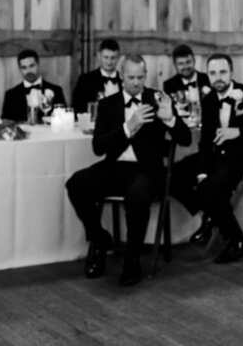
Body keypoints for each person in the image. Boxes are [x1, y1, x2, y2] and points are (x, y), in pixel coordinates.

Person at [65, 54, 192, 287]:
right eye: (131, 77)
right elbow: (98, 147)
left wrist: (171, 119)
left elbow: (185, 139)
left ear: (146, 76)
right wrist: (128, 127)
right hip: (114, 168)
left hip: (147, 171)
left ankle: (132, 259)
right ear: (122, 76)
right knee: (76, 183)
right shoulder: (107, 105)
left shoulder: (158, 99)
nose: (135, 82)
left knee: (137, 194)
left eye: (140, 77)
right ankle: (99, 238)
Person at [170, 53, 243, 264]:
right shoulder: (209, 99)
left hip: (242, 161)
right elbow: (205, 143)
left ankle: (237, 240)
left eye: (222, 72)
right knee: (175, 173)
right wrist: (201, 172)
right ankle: (211, 214)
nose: (217, 77)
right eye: (212, 73)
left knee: (208, 188)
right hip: (215, 158)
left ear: (231, 72)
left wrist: (238, 131)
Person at [2, 49, 67, 122]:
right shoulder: (10, 95)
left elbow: (63, 119)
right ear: (19, 69)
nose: (28, 71)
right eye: (24, 67)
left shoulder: (56, 91)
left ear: (38, 64)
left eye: (31, 66)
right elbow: (6, 123)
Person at [72, 38, 121, 114]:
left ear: (118, 57)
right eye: (106, 57)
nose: (109, 62)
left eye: (113, 58)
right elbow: (77, 108)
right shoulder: (85, 80)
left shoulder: (124, 80)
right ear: (99, 56)